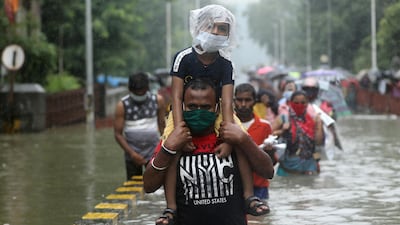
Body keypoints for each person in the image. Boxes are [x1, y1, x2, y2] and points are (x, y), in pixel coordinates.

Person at [159, 5, 266, 222]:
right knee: (171, 148)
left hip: (216, 111)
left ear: (229, 33)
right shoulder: (183, 58)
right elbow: (177, 97)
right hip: (183, 111)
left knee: (240, 140)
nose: (217, 32)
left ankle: (248, 196)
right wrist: (180, 130)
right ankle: (171, 207)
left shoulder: (226, 65)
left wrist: (229, 138)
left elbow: (227, 102)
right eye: (212, 27)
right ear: (200, 27)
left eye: (223, 29)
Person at [143, 78, 275, 225]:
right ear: (182, 107)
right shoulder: (176, 139)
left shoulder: (231, 136)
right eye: (192, 106)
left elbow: (268, 172)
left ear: (217, 108)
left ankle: (249, 198)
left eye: (206, 107)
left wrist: (245, 140)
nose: (199, 112)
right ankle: (170, 209)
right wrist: (168, 149)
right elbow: (148, 186)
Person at [113, 72, 166, 180]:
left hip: (154, 152)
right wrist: (132, 154)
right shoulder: (122, 105)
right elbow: (118, 134)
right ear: (130, 90)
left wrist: (164, 149)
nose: (140, 94)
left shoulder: (157, 100)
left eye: (142, 92)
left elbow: (162, 126)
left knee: (156, 185)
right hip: (132, 153)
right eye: (137, 92)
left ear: (147, 88)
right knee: (133, 186)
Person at [234, 83, 277, 204]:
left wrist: (270, 151)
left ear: (254, 101)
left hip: (259, 186)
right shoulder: (227, 125)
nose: (243, 104)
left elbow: (271, 164)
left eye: (247, 100)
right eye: (239, 100)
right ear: (233, 100)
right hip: (234, 186)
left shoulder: (264, 126)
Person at [275, 90, 324, 176]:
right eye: (296, 103)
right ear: (290, 103)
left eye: (303, 103)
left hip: (309, 166)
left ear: (307, 103)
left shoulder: (313, 119)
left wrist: (319, 124)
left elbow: (318, 142)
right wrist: (282, 131)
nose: (299, 105)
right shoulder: (283, 118)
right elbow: (269, 136)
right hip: (288, 168)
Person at [301, 77, 343, 150]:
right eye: (307, 89)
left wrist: (330, 114)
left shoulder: (324, 103)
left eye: (312, 89)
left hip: (322, 132)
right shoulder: (299, 102)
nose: (309, 92)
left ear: (316, 90)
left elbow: (332, 120)